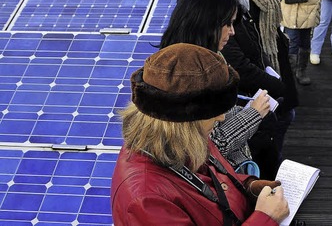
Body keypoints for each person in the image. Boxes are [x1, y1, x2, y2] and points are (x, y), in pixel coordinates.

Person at [111, 43, 289, 225]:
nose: (221, 117)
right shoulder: (146, 200)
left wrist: (251, 188)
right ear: (184, 122)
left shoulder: (184, 141)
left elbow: (215, 179)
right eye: (213, 112)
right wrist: (266, 219)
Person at [178, 0, 297, 180]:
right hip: (240, 120)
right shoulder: (209, 9)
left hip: (249, 107)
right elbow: (215, 139)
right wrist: (271, 94)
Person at [159, 0, 271, 175]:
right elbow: (211, 145)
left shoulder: (199, 58)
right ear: (206, 23)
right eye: (227, 24)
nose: (232, 31)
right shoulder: (186, 74)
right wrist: (254, 113)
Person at [236, 0, 300, 180]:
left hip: (277, 57)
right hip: (261, 64)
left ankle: (275, 161)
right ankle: (269, 173)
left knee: (286, 113)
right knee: (274, 120)